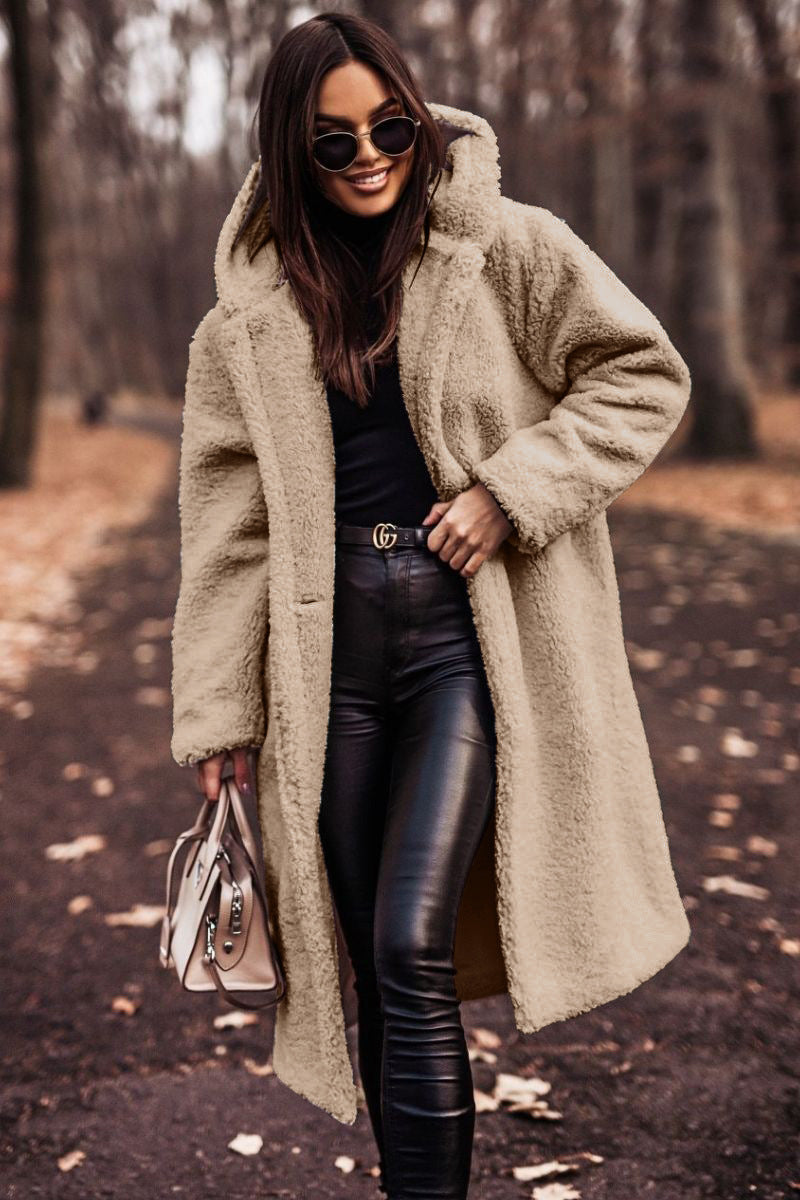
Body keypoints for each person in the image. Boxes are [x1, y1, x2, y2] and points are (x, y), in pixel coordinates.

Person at [170, 11, 693, 1200]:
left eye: (389, 126)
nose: (367, 155)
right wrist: (217, 715)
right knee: (370, 960)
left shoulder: (504, 245)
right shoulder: (241, 325)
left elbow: (639, 372)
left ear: (416, 120)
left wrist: (512, 492)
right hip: (326, 661)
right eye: (332, 139)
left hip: (465, 640)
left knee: (411, 935)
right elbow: (226, 530)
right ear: (287, 152)